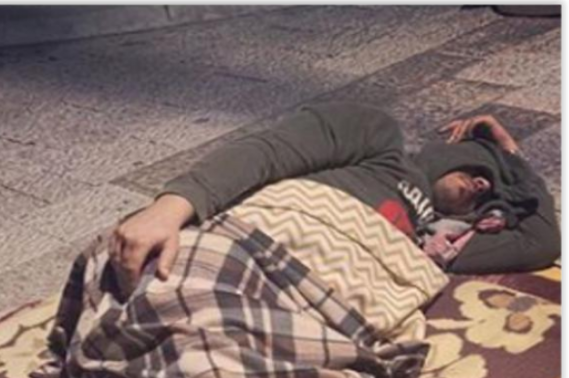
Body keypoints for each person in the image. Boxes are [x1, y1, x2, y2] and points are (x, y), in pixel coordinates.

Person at [110, 103, 561, 293]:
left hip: (315, 296)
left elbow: (542, 242)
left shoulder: (436, 243)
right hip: (252, 246)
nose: (482, 184)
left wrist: (511, 157)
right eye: (478, 169)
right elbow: (273, 150)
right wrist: (171, 208)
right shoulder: (379, 141)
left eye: (487, 193)